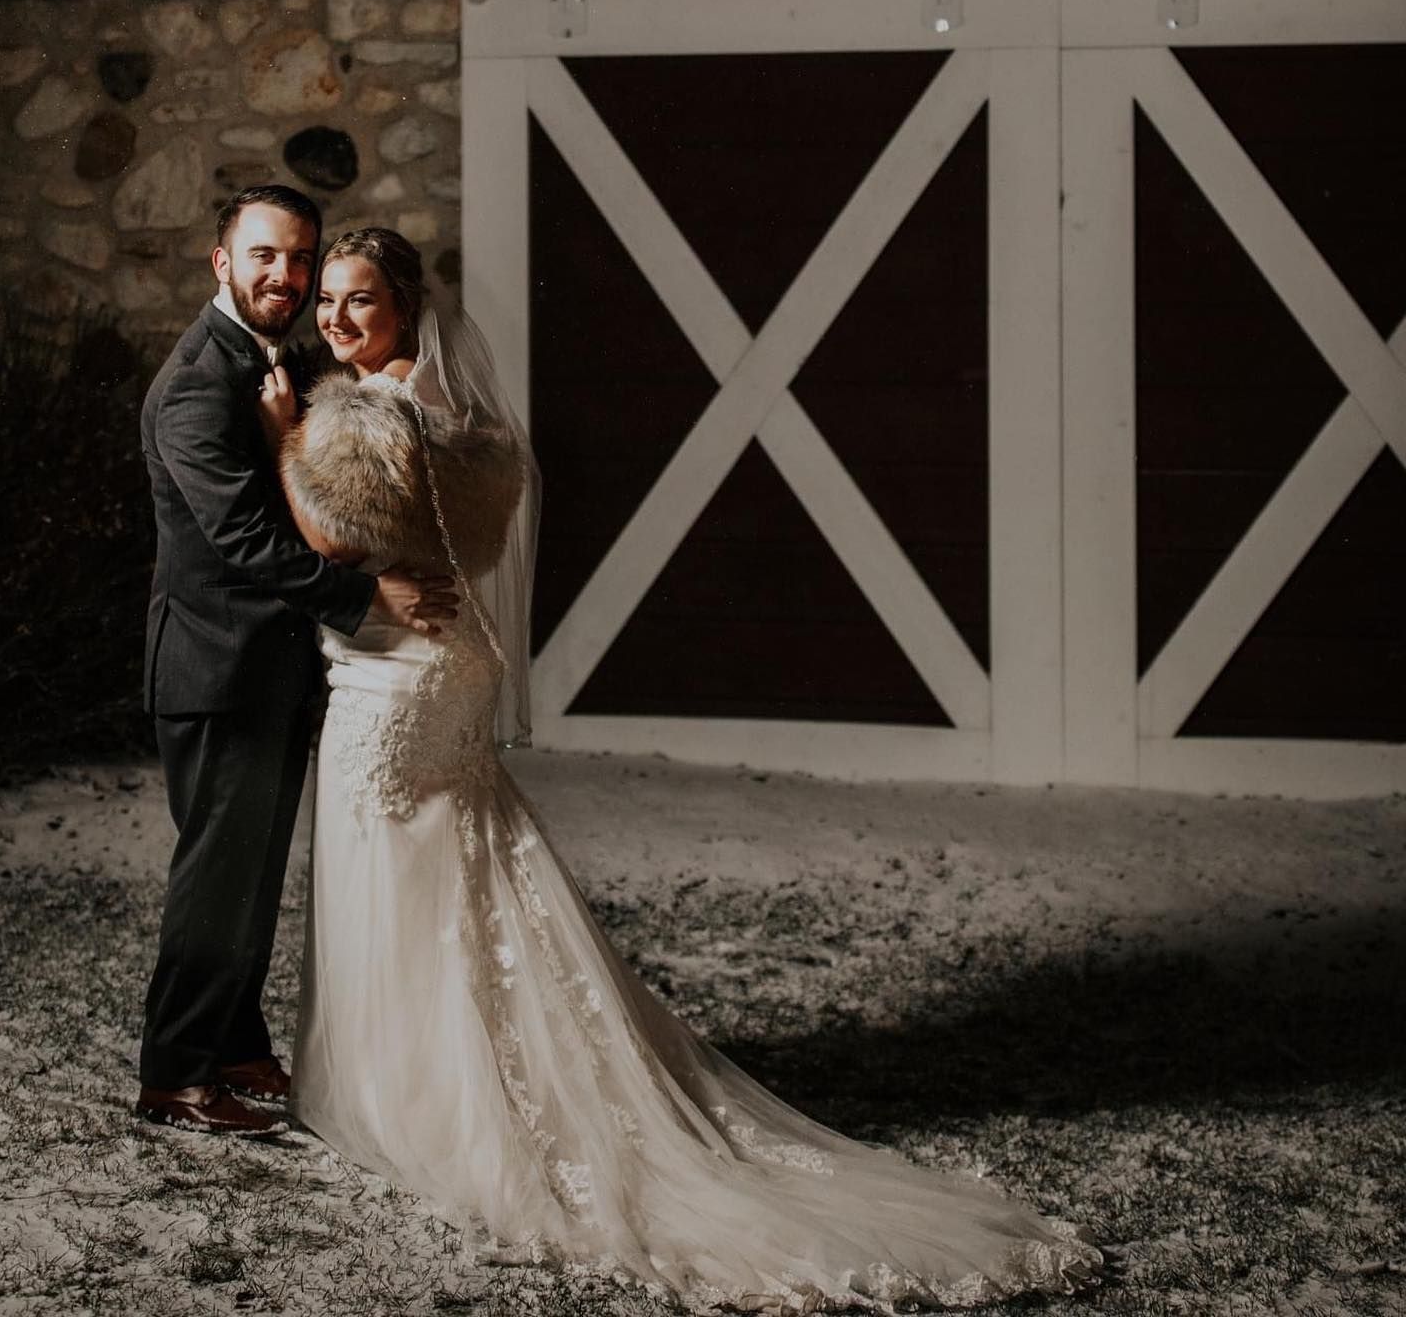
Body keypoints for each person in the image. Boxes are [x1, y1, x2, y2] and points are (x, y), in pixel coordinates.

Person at [263, 224, 1103, 1310]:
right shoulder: (459, 412)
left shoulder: (372, 413)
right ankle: (434, 1077)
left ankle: (412, 1098)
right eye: (327, 299)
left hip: (400, 675)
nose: (334, 318)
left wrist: (286, 436)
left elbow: (334, 536)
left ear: (405, 307)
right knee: (460, 865)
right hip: (445, 660)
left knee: (402, 866)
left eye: (357, 300)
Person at [135, 188, 458, 1136]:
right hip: (214, 671)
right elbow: (242, 538)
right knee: (216, 879)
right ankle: (177, 1075)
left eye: (300, 258)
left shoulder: (286, 357)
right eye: (266, 256)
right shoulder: (198, 382)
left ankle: (236, 1046)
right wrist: (367, 601)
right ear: (220, 262)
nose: (286, 275)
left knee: (250, 877)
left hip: (270, 669)